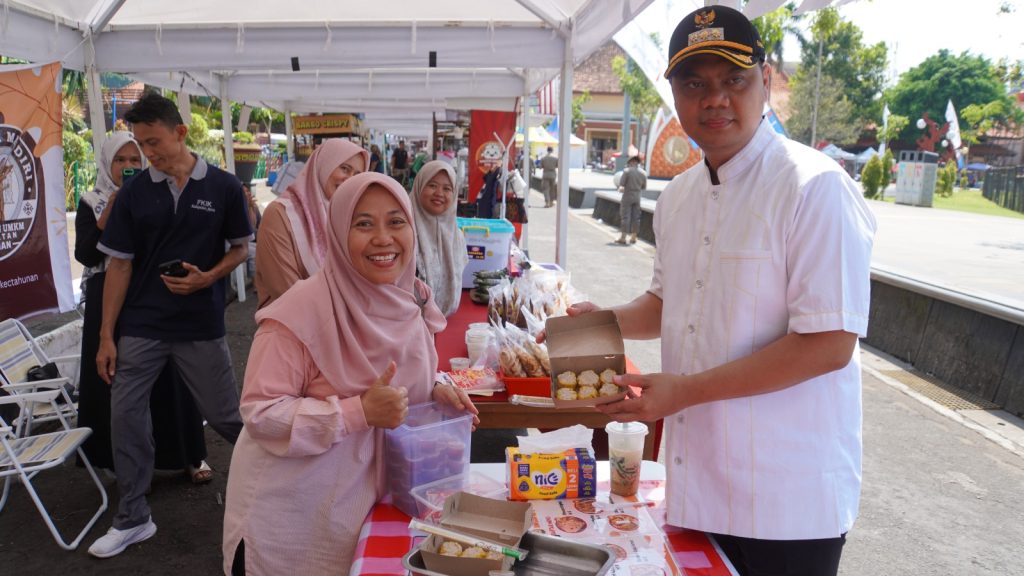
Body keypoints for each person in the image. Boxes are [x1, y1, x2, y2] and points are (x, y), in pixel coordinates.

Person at [564, 7, 876, 575]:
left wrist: (683, 392)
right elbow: (668, 304)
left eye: (734, 79)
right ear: (674, 94)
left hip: (788, 501)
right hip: (697, 485)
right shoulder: (678, 197)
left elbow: (829, 344)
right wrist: (599, 322)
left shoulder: (815, 187)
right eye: (695, 84)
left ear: (766, 80)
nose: (715, 99)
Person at [222, 172, 478, 575]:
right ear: (338, 233)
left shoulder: (411, 297)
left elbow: (410, 369)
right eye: (364, 224)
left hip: (377, 503)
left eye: (396, 221)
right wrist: (358, 412)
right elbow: (260, 412)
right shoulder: (300, 313)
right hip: (296, 521)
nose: (383, 238)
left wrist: (435, 388)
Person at [88, 92, 253, 558]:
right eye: (141, 144)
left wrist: (209, 277)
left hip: (200, 323)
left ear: (180, 132)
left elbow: (240, 248)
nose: (147, 153)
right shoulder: (134, 193)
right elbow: (119, 265)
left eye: (153, 142)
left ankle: (282, 485)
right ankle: (133, 517)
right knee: (125, 415)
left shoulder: (223, 187)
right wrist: (106, 336)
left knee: (226, 416)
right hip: (142, 322)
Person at [74, 132, 210, 483]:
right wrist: (109, 214)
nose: (128, 167)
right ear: (107, 164)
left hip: (150, 293)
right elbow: (86, 254)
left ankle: (189, 454)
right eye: (120, 160)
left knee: (171, 373)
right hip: (106, 297)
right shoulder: (91, 202)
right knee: (113, 378)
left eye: (135, 160)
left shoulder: (158, 195)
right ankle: (128, 468)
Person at [254, 139, 368, 308]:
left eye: (358, 174)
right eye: (344, 168)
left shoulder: (348, 216)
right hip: (295, 320)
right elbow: (287, 293)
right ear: (323, 166)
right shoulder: (280, 215)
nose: (350, 179)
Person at [410, 160, 467, 317]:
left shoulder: (458, 237)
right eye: (432, 185)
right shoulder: (403, 230)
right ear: (419, 186)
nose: (439, 193)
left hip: (447, 320)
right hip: (409, 322)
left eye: (447, 188)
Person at [615, 155, 646, 245]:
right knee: (636, 217)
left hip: (627, 196)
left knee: (625, 217)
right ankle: (634, 237)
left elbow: (622, 184)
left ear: (631, 162)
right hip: (637, 197)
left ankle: (623, 238)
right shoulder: (643, 173)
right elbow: (644, 187)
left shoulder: (627, 171)